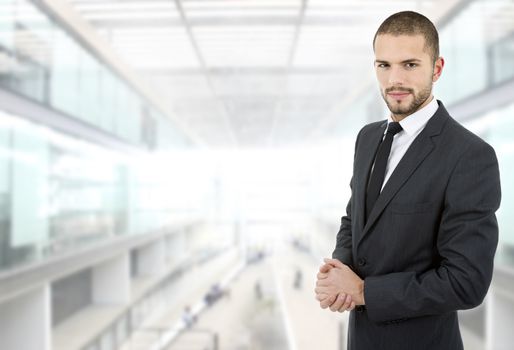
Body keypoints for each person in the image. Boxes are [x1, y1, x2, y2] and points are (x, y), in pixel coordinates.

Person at [314, 11, 501, 350]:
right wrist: (337, 272)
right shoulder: (367, 138)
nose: (394, 79)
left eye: (410, 65)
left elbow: (466, 282)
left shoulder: (470, 156)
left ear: (437, 68)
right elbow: (354, 221)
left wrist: (363, 292)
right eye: (384, 65)